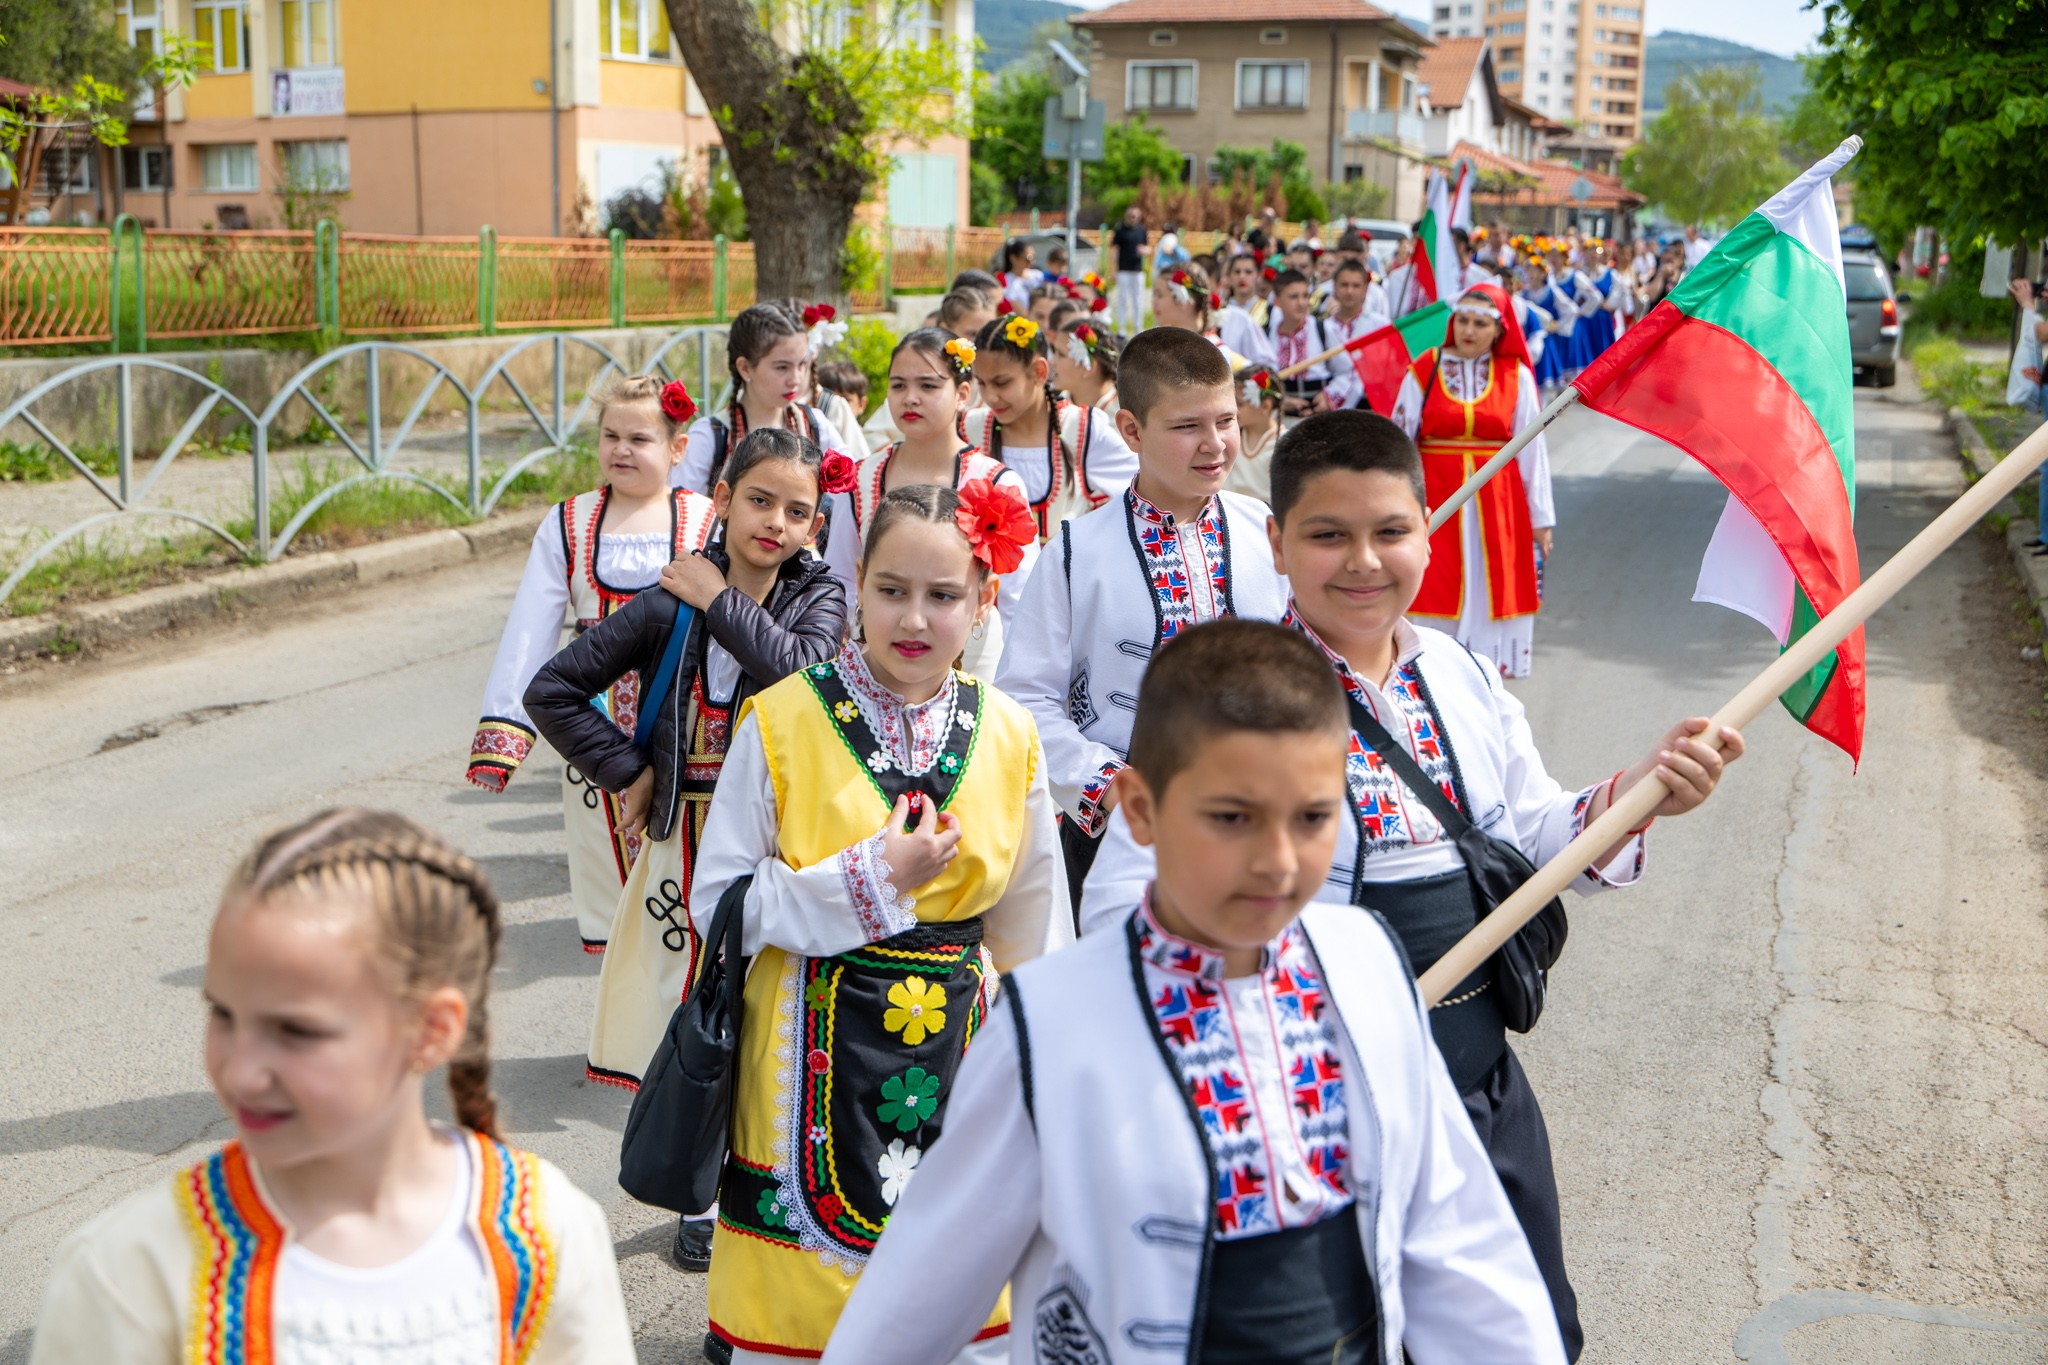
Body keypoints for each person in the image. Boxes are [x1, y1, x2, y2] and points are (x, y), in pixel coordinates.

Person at [1075, 414, 1747, 1361]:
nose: (1363, 561)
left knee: (1530, 1334)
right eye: (1328, 534)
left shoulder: (1462, 672)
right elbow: (1121, 909)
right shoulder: (1218, 696)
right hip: (1316, 1108)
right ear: (1276, 542)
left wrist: (1638, 794)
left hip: (1478, 1083)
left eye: (1390, 531)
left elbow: (1532, 835)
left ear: (1427, 535)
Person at [824, 620, 1574, 1365]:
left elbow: (1458, 1243)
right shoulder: (1049, 1025)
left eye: (1313, 817)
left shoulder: (1366, 964)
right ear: (1140, 809)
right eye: (1232, 817)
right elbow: (911, 1305)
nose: (1277, 860)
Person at [30, 809, 637, 1363]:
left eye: (297, 1031)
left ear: (430, 1031)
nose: (240, 1072)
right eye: (223, 1014)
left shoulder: (547, 1231)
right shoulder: (134, 1269)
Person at [688, 484, 1070, 1363]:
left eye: (944, 595)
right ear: (857, 581)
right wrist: (868, 882)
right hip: (799, 1059)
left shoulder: (1010, 733)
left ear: (985, 598)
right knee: (800, 1331)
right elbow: (720, 903)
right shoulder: (781, 717)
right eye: (892, 589)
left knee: (965, 1315)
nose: (915, 618)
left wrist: (1054, 1080)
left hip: (962, 1057)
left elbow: (1037, 930)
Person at [996, 327, 1287, 901]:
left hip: (1265, 817)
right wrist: (1107, 784)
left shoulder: (1266, 531)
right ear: (1131, 430)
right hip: (1126, 832)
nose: (1215, 445)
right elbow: (1025, 697)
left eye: (1226, 421)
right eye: (1187, 426)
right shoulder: (1076, 552)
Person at [469, 374, 719, 952]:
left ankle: (683, 989)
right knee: (605, 862)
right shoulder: (569, 521)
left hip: (683, 719)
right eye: (611, 436)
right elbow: (531, 626)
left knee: (685, 862)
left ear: (677, 448)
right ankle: (619, 992)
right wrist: (505, 731)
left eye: (640, 438)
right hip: (591, 727)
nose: (622, 450)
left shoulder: (705, 520)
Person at [832, 329, 1036, 674]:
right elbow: (841, 581)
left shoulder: (996, 483)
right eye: (898, 385)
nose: (910, 398)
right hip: (880, 657)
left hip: (976, 661)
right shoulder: (861, 479)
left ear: (963, 394)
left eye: (928, 386)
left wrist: (1021, 679)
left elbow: (1021, 598)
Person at [1391, 284, 1554, 679]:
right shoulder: (1425, 369)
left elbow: (1532, 452)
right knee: (1433, 580)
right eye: (1462, 320)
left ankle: (1485, 678)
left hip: (1499, 502)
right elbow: (1398, 440)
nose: (1468, 330)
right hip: (1436, 498)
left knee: (1491, 584)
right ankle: (1430, 673)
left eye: (1480, 324)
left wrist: (1541, 520)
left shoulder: (1516, 376)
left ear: (1499, 330)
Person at [964, 314, 1138, 540]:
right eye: (981, 383)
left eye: (1002, 383)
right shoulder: (971, 429)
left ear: (1039, 372)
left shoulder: (1080, 428)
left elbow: (1145, 486)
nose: (990, 396)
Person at [677, 300, 855, 495]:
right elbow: (683, 505)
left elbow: (852, 493)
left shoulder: (815, 426)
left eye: (801, 364)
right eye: (782, 367)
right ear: (745, 368)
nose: (795, 379)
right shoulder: (710, 437)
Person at [1266, 268, 1354, 417]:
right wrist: (1279, 400)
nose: (1301, 303)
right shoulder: (1268, 334)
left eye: (1305, 296)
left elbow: (1347, 370)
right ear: (1277, 301)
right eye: (1293, 297)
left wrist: (1328, 396)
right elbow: (1259, 378)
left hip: (1319, 413)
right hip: (1281, 415)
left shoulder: (1323, 329)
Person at [1318, 258, 1389, 411]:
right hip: (1332, 408)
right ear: (1334, 286)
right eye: (1344, 285)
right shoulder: (1323, 327)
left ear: (1365, 289)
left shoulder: (1381, 325)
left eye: (1356, 286)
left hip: (1371, 405)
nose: (1350, 291)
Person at [1227, 358, 1282, 501]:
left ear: (1265, 406)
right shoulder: (1230, 436)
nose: (1233, 409)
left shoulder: (1283, 443)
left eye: (1239, 403)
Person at [1051, 315, 1120, 416]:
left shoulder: (1121, 416)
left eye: (1061, 354)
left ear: (1089, 367)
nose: (1052, 361)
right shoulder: (1055, 409)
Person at [814, 359, 874, 456]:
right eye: (828, 401)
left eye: (845, 400)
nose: (836, 407)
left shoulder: (872, 445)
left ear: (861, 404)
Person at [1110, 207, 1150, 334]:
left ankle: (1138, 326)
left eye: (1136, 216)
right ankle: (1121, 327)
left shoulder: (1142, 231)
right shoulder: (1120, 231)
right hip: (1123, 270)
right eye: (1131, 215)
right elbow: (1114, 250)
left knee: (1138, 299)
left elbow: (1148, 248)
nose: (1133, 218)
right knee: (1122, 299)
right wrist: (1113, 269)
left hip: (1137, 270)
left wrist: (1144, 251)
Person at [1221, 252, 1271, 330]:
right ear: (1229, 275)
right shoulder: (1221, 310)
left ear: (1258, 275)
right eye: (1237, 272)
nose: (1242, 276)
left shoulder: (1269, 310)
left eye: (1248, 272)